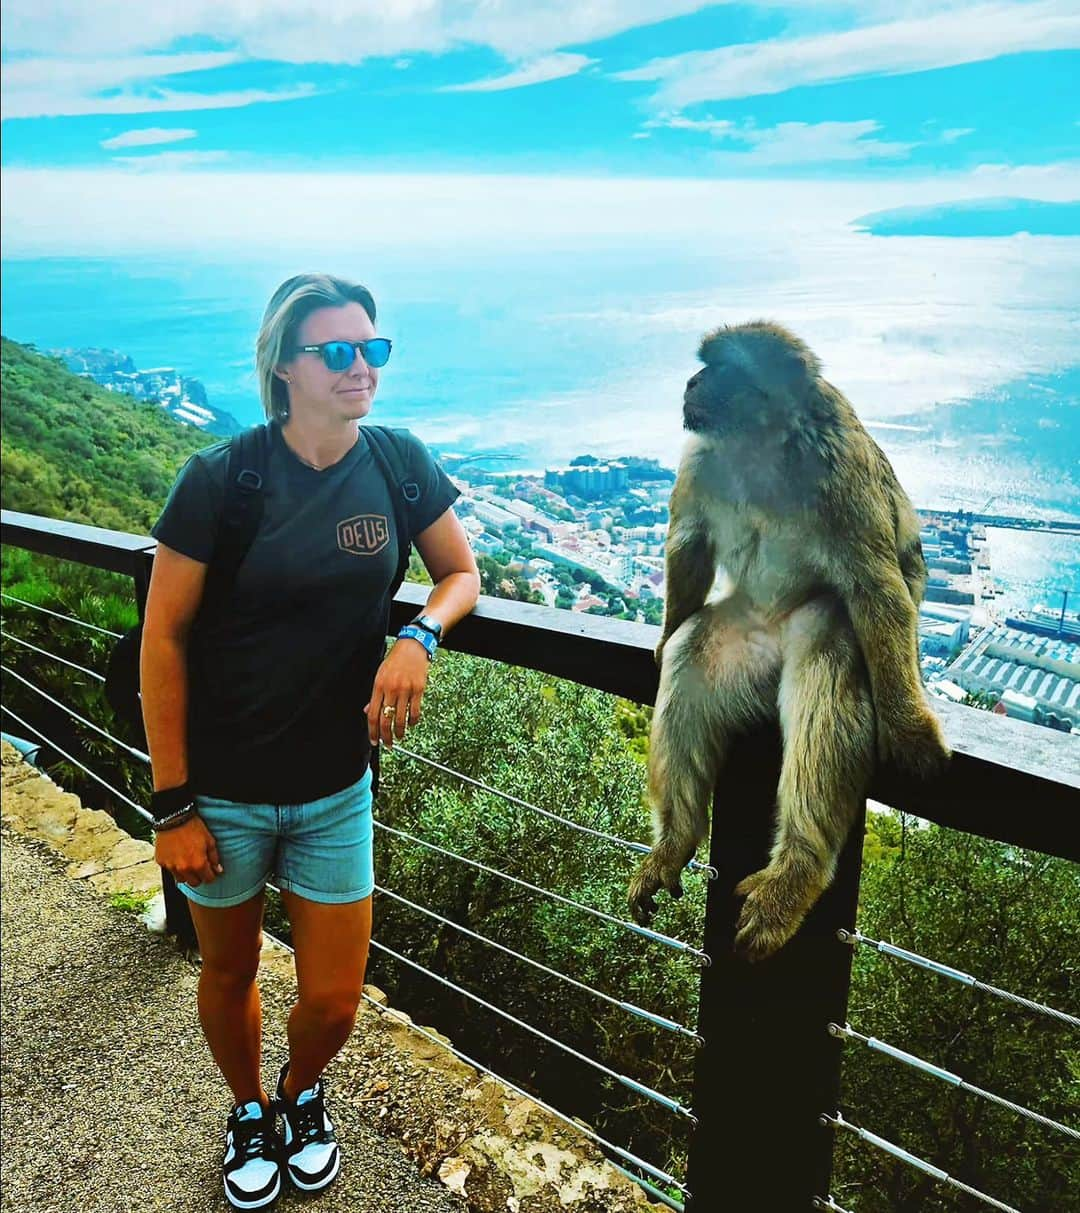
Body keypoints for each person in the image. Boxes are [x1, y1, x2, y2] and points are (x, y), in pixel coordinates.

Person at [140, 272, 480, 1209]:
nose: (361, 367)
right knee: (231, 967)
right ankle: (248, 1107)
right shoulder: (222, 480)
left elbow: (459, 572)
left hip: (337, 784)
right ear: (284, 367)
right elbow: (162, 639)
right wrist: (171, 803)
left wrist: (418, 635)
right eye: (337, 351)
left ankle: (300, 1092)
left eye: (373, 349)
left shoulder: (398, 461)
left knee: (333, 996)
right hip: (224, 788)